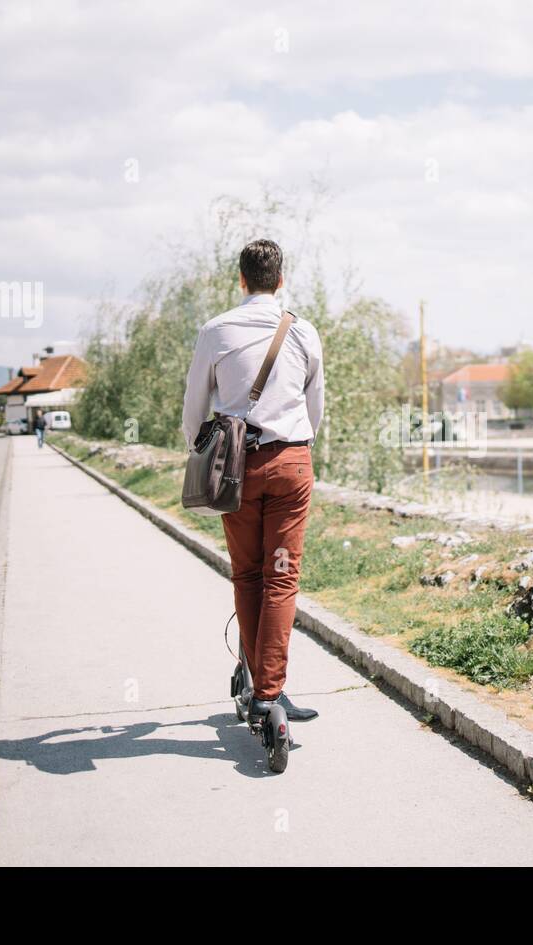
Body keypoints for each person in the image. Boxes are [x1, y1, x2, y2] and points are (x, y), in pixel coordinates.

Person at [182, 239, 325, 723]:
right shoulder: (304, 332)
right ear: (280, 280)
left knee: (247, 574)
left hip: (236, 468)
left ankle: (258, 683)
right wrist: (296, 449)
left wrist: (202, 451)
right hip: (291, 467)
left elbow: (193, 408)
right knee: (281, 577)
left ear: (241, 280)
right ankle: (270, 692)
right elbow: (314, 408)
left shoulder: (215, 331)